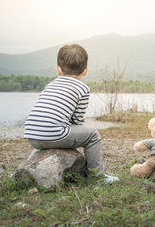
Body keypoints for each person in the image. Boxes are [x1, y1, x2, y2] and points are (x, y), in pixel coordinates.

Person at [24, 44, 119, 184]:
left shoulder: (50, 85)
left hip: (32, 136)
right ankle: (97, 177)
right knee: (93, 135)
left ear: (58, 69)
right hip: (54, 134)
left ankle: (28, 169)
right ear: (85, 71)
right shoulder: (83, 88)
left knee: (51, 132)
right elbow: (77, 121)